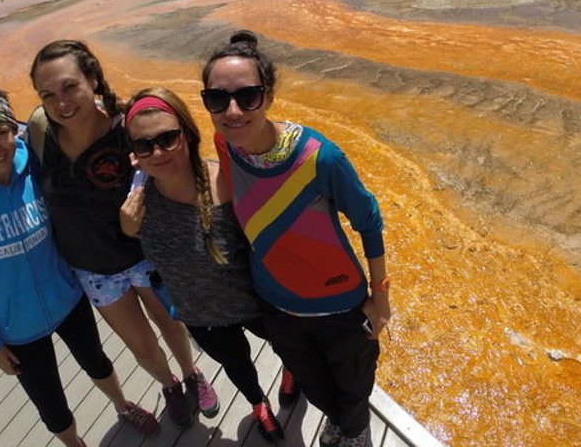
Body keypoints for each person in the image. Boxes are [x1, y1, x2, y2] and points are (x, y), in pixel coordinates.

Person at [0, 84, 155, 447]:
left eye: (2, 133)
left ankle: (121, 405)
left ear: (13, 129)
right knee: (49, 402)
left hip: (66, 298)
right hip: (14, 326)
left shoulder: (36, 169)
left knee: (97, 361)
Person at [201, 30, 392, 447]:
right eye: (217, 99)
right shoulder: (226, 142)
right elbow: (236, 196)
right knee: (313, 383)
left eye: (247, 96)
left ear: (267, 97)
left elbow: (369, 219)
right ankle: (339, 422)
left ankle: (354, 431)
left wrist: (380, 295)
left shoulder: (320, 157)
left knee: (354, 387)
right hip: (276, 305)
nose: (232, 111)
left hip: (340, 307)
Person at [29, 40, 215, 430]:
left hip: (146, 254)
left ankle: (191, 372)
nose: (60, 102)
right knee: (141, 344)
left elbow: (172, 166)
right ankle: (170, 386)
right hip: (92, 267)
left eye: (69, 87)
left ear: (92, 78)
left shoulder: (126, 128)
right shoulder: (40, 131)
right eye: (48, 94)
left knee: (170, 324)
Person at [119, 87, 295, 442]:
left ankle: (291, 371)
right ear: (134, 153)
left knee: (286, 345)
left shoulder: (226, 181)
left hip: (256, 302)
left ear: (188, 132)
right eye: (144, 145)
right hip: (201, 316)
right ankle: (258, 404)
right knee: (238, 365)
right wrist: (126, 228)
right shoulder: (136, 208)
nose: (157, 152)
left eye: (168, 138)